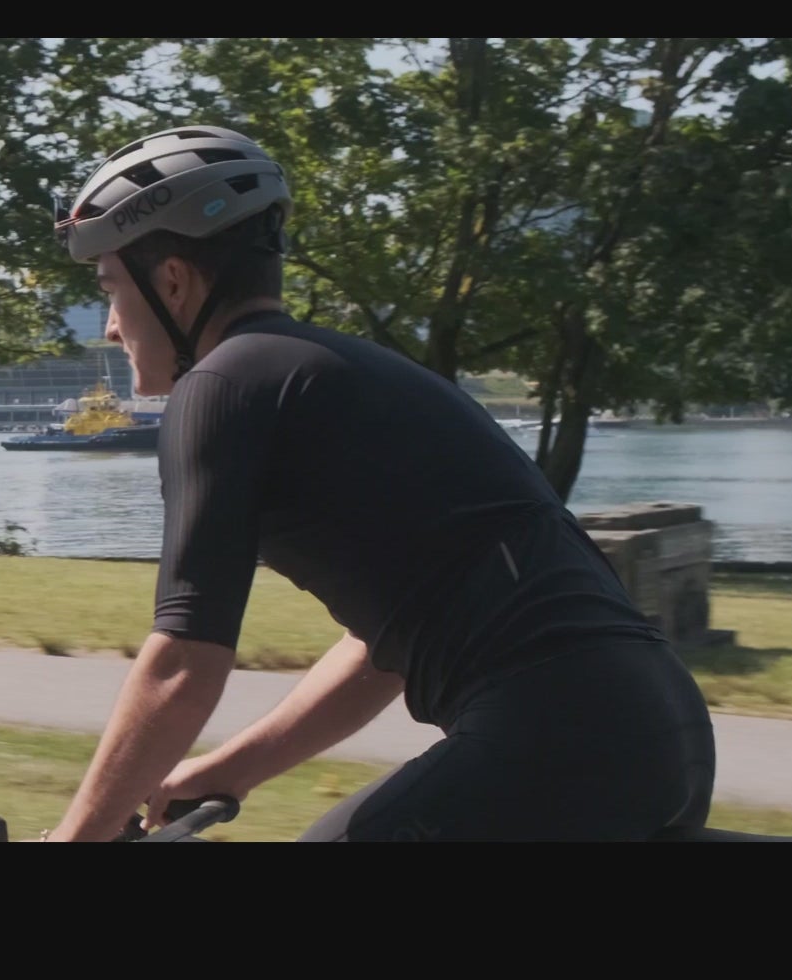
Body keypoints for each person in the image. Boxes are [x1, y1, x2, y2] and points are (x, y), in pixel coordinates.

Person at [41, 125, 715, 841]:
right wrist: (231, 768)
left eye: (111, 287)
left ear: (172, 279)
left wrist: (80, 834)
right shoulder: (346, 371)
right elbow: (386, 647)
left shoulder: (221, 390)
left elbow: (182, 661)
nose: (112, 326)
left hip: (554, 739)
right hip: (660, 729)